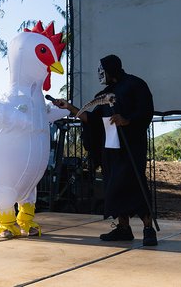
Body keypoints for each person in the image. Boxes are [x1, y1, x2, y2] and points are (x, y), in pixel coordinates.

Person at [53, 54, 157, 246]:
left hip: (131, 147)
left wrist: (127, 120)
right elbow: (91, 120)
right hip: (111, 149)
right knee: (114, 188)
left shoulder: (135, 84)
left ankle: (148, 228)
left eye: (103, 70)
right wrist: (69, 107)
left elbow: (146, 110)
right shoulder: (103, 96)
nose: (100, 74)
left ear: (111, 69)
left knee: (135, 185)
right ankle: (123, 229)